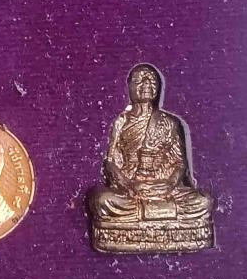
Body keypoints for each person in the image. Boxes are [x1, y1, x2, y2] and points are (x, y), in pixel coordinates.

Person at [89, 64, 212, 223]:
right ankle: (147, 214)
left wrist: (170, 183)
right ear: (130, 87)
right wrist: (129, 185)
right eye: (140, 80)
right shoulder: (122, 122)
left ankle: (156, 215)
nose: (147, 83)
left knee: (204, 201)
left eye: (152, 80)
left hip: (164, 188)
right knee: (102, 201)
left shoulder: (169, 123)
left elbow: (180, 163)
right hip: (131, 188)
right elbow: (111, 162)